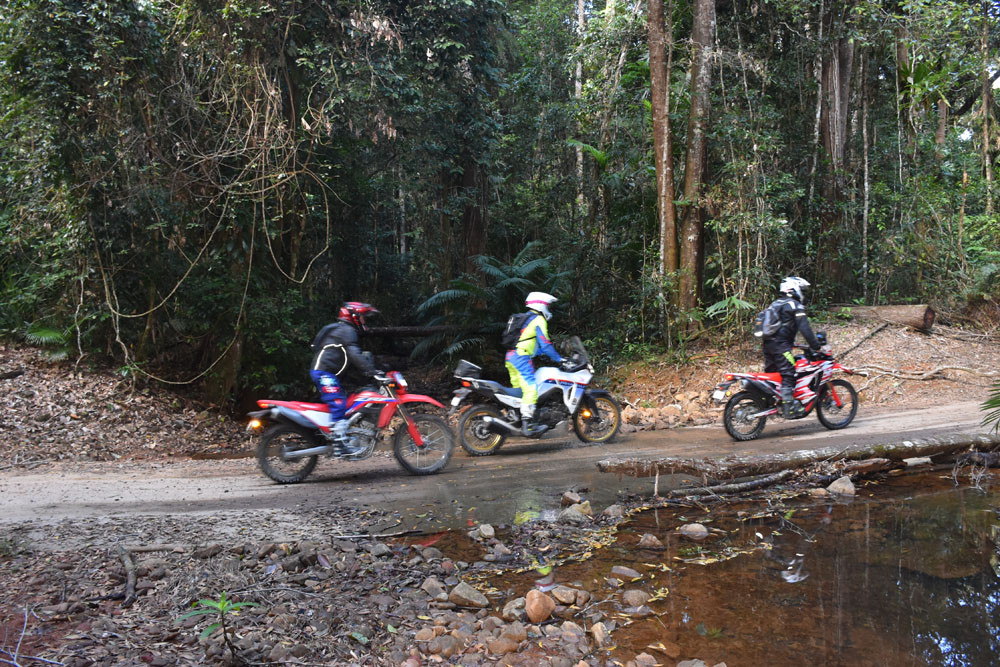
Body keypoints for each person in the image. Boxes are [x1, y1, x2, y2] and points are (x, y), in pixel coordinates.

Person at [310, 302, 384, 454]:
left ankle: (341, 432)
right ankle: (339, 443)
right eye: (362, 318)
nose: (364, 321)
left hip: (330, 374)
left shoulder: (342, 330)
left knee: (346, 401)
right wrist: (372, 371)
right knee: (338, 402)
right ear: (354, 317)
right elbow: (355, 355)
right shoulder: (346, 330)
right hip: (324, 373)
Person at [762, 277, 830, 418]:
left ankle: (768, 404)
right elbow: (805, 329)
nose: (802, 293)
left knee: (773, 376)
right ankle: (789, 408)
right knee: (789, 374)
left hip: (768, 345)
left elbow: (780, 327)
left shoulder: (775, 304)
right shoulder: (795, 305)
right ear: (794, 288)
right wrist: (816, 346)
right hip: (781, 347)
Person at [505, 291, 563, 436]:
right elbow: (545, 344)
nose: (548, 309)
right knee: (531, 388)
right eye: (547, 306)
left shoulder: (526, 319)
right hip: (521, 359)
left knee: (520, 392)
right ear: (541, 305)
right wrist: (559, 359)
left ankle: (516, 417)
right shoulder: (538, 319)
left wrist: (542, 355)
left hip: (511, 357)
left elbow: (531, 343)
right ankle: (528, 425)